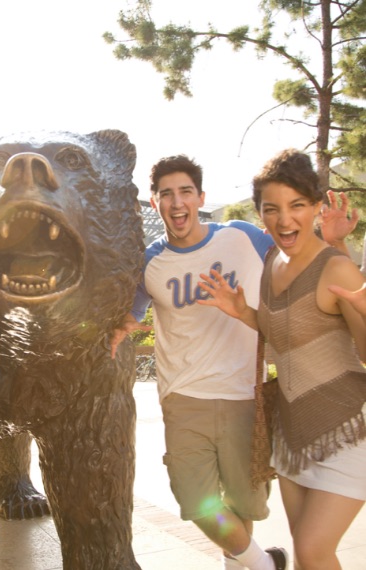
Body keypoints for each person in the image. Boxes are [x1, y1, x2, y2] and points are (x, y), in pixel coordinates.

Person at [109, 154, 355, 570]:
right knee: (196, 501)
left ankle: (240, 564)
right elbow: (131, 313)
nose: (176, 202)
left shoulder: (242, 237)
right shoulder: (150, 261)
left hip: (247, 395)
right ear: (155, 203)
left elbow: (298, 255)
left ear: (200, 197)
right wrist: (119, 326)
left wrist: (332, 240)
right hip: (183, 396)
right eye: (166, 194)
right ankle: (262, 564)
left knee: (242, 504)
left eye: (185, 191)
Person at [198, 149, 366, 570]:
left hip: (346, 431)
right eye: (271, 209)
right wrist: (242, 312)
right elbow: (288, 335)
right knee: (310, 557)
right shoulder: (273, 260)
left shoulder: (337, 268)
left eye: (297, 206)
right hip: (291, 434)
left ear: (314, 207)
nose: (284, 219)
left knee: (312, 549)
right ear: (260, 212)